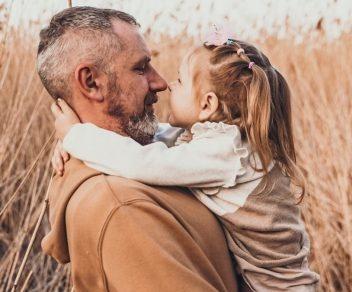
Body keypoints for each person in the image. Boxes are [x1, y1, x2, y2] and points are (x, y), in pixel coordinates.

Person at [51, 28, 320, 291]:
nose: (168, 85)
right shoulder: (219, 141)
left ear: (207, 105)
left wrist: (76, 135)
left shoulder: (225, 153)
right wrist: (81, 140)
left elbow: (143, 162)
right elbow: (160, 138)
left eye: (180, 81)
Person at [38, 6, 240, 292]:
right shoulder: (123, 207)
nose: (159, 82)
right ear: (91, 82)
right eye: (141, 67)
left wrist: (77, 138)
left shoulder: (128, 158)